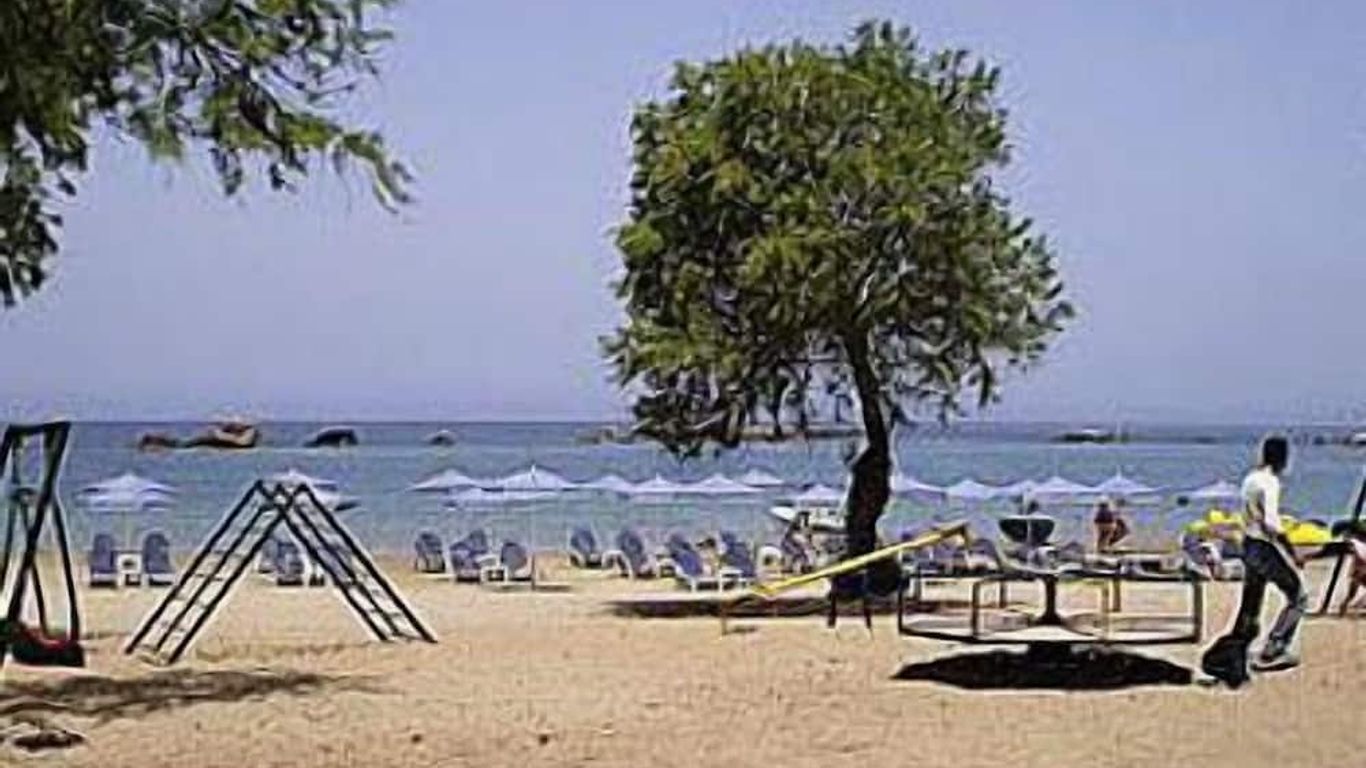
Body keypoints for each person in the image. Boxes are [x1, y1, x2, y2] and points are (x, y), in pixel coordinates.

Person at [1201, 435, 1308, 687]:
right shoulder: (1270, 483)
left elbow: (1249, 515)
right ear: (1282, 458)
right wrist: (1291, 551)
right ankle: (1274, 649)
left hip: (1248, 545)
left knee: (1250, 605)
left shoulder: (1250, 479)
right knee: (1298, 597)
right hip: (1264, 546)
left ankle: (1233, 654)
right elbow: (1271, 523)